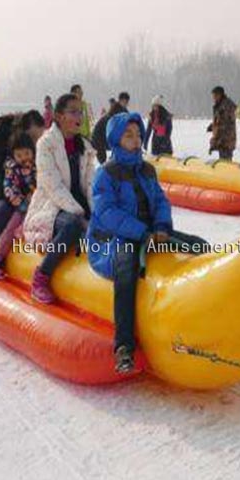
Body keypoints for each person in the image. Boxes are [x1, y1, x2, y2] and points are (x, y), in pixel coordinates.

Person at [87, 112, 210, 373]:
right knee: (126, 272)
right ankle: (123, 346)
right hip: (117, 238)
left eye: (138, 134)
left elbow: (160, 201)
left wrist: (162, 226)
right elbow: (107, 214)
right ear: (115, 140)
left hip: (152, 233)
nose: (135, 139)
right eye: (128, 134)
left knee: (199, 245)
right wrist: (143, 233)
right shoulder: (105, 174)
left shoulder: (147, 169)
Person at [23, 94, 97, 303]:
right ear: (59, 116)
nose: (78, 116)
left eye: (80, 111)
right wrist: (81, 215)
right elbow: (52, 186)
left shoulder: (85, 146)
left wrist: (97, 211)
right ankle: (41, 276)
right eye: (73, 111)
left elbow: (91, 184)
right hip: (52, 207)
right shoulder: (46, 144)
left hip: (80, 204)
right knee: (73, 225)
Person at [0, 110, 45, 239]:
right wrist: (19, 198)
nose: (35, 143)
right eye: (33, 138)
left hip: (25, 198)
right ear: (21, 131)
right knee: (2, 210)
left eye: (39, 139)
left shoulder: (31, 150)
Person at [0, 131, 37, 278]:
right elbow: (9, 187)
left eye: (27, 153)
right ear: (14, 155)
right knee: (11, 227)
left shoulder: (38, 165)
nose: (24, 158)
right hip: (22, 206)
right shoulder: (12, 169)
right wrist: (20, 201)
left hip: (39, 205)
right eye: (19, 155)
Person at [91, 91, 129, 164]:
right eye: (124, 101)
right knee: (104, 162)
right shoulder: (115, 110)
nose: (125, 103)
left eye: (127, 102)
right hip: (99, 137)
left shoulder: (124, 111)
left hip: (106, 136)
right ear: (120, 100)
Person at [209, 86, 236, 160]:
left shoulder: (226, 106)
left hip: (226, 140)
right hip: (222, 140)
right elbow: (219, 120)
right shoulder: (220, 105)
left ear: (219, 95)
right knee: (223, 162)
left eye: (215, 96)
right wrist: (212, 126)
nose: (213, 98)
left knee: (226, 163)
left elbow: (226, 123)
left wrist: (216, 141)